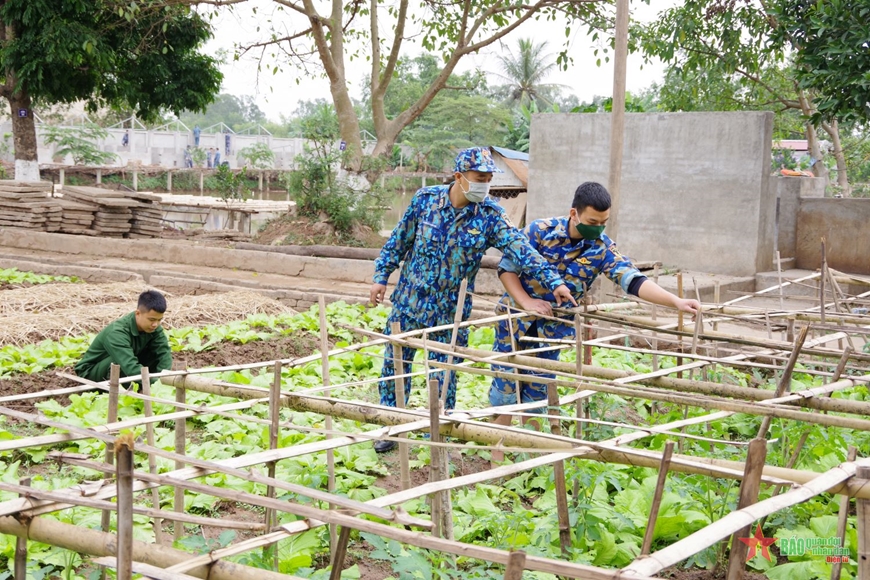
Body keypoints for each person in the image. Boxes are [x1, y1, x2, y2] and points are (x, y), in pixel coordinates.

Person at [370, 146, 577, 453]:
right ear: (459, 176)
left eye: (488, 178)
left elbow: (522, 250)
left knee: (443, 376)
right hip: (409, 302)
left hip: (450, 313)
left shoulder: (490, 216)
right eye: (480, 178)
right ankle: (392, 425)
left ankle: (436, 435)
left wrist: (554, 282)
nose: (485, 184)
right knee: (396, 368)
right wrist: (381, 276)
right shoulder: (425, 201)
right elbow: (399, 240)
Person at [488, 181, 701, 461]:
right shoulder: (539, 231)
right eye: (592, 221)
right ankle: (495, 450)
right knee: (506, 382)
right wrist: (526, 301)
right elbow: (507, 269)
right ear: (574, 213)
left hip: (553, 327)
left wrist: (675, 302)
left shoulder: (601, 248)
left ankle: (530, 457)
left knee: (538, 386)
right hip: (515, 319)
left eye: (603, 222)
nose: (597, 228)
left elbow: (632, 279)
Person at [74, 290, 172, 387]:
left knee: (155, 354)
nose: (155, 324)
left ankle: (142, 386)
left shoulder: (154, 328)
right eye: (152, 319)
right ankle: (123, 391)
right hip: (91, 373)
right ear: (137, 313)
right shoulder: (117, 332)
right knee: (118, 363)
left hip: (124, 364)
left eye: (159, 320)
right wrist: (157, 385)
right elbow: (129, 366)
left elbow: (164, 353)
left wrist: (163, 379)